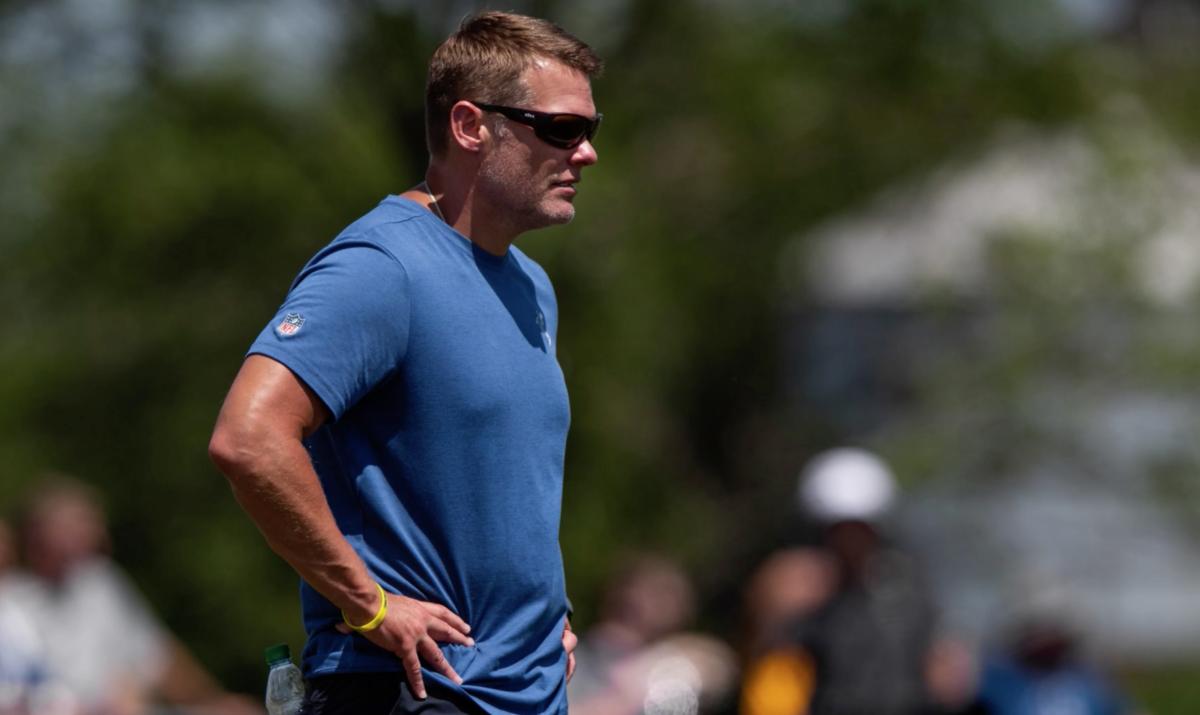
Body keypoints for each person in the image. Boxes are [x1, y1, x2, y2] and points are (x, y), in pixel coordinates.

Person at [207, 11, 603, 715]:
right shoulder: (382, 265)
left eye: (589, 131)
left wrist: (545, 623)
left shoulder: (532, 286)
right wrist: (369, 606)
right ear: (470, 126)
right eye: (562, 129)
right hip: (414, 692)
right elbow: (248, 437)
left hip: (530, 694)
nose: (585, 153)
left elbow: (494, 489)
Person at [5, 477, 261, 715]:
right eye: (74, 523)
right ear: (36, 533)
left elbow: (159, 659)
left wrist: (213, 701)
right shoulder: (12, 603)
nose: (93, 531)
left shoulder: (100, 583)